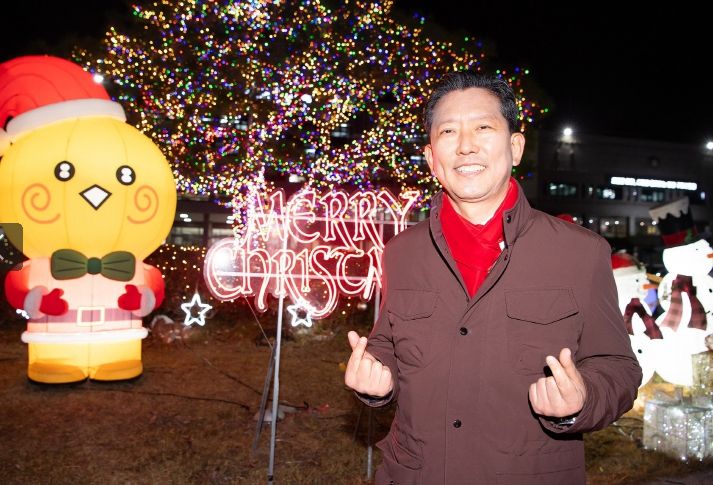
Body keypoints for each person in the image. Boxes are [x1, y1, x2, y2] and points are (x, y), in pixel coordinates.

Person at [344, 71, 642, 484]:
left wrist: (582, 398)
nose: (465, 145)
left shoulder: (581, 253)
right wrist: (375, 376)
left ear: (515, 147)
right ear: (431, 158)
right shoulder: (402, 252)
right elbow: (388, 345)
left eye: (483, 127)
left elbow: (618, 367)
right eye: (448, 131)